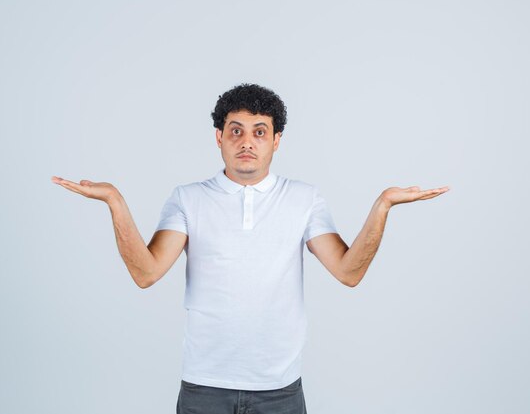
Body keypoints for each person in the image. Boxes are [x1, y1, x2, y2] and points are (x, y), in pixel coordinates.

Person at [51, 83, 449, 413]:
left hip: (279, 390)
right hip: (204, 387)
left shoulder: (304, 199)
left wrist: (382, 206)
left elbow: (348, 272)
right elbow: (146, 272)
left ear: (276, 141)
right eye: (236, 130)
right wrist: (115, 202)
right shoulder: (188, 199)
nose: (247, 141)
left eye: (259, 131)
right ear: (219, 138)